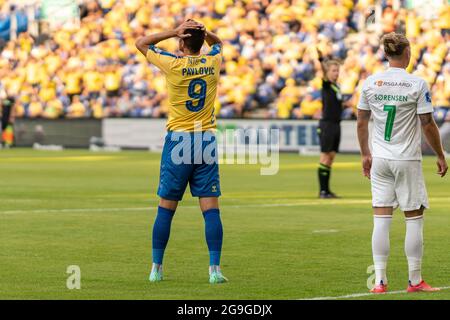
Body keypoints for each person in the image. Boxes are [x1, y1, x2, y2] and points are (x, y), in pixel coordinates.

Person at [135, 19, 227, 284]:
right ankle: (215, 271)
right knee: (211, 209)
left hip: (179, 141)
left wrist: (173, 31)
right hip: (205, 140)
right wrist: (202, 33)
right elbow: (218, 43)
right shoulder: (212, 62)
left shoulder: (172, 64)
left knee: (166, 208)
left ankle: (156, 268)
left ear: (181, 41)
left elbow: (142, 43)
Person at [357, 32, 448, 294]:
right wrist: (440, 154)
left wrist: (365, 154)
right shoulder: (416, 84)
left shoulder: (371, 83)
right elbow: (427, 124)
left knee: (381, 220)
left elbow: (362, 121)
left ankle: (380, 282)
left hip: (380, 159)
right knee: (414, 219)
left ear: (386, 54)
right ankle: (415, 280)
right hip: (406, 159)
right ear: (406, 52)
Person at [316, 49, 343, 198]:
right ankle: (322, 190)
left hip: (336, 124)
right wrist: (321, 60)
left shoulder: (336, 87)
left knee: (331, 157)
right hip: (327, 125)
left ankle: (327, 190)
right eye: (333, 70)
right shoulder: (326, 85)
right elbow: (323, 71)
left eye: (337, 70)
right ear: (327, 72)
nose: (336, 73)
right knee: (325, 157)